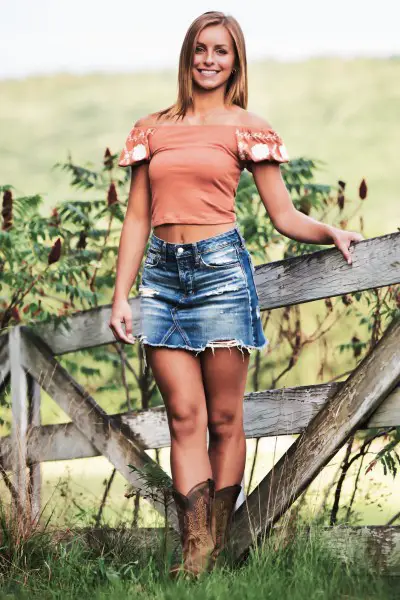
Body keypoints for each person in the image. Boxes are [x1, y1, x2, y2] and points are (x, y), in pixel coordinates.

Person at [109, 10, 364, 578]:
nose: (208, 60)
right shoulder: (152, 128)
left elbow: (283, 215)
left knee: (225, 417)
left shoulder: (248, 127)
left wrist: (329, 231)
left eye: (221, 51)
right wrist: (121, 294)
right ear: (187, 55)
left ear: (235, 60)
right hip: (162, 280)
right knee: (183, 415)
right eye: (201, 49)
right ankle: (194, 555)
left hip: (222, 273)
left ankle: (218, 552)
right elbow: (135, 218)